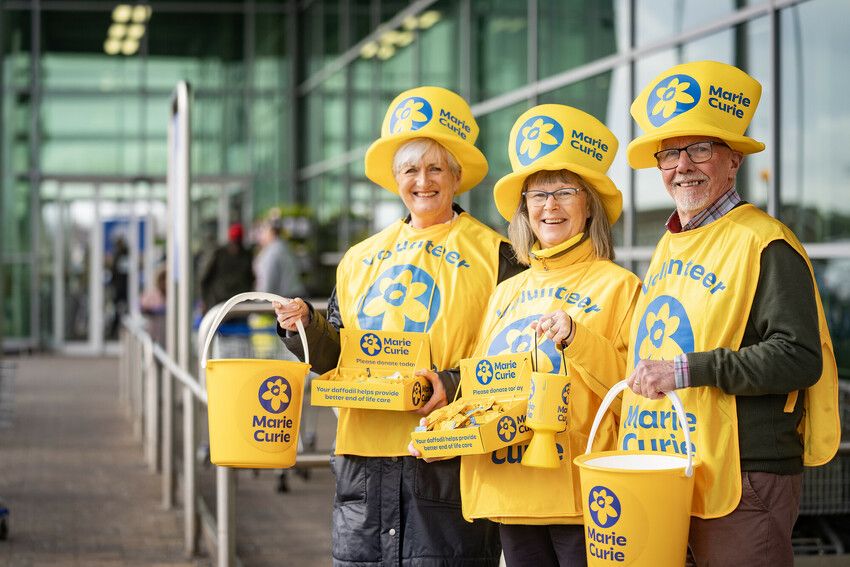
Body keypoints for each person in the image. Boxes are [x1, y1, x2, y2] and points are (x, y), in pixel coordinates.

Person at [274, 86, 524, 567]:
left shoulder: (497, 254)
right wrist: (303, 326)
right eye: (410, 169)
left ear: (456, 176)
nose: (423, 181)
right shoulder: (360, 258)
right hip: (362, 462)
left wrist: (450, 382)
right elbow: (333, 355)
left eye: (436, 168)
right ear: (395, 179)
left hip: (445, 454)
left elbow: (514, 361)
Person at [620, 60, 839, 566]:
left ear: (733, 159)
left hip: (746, 472)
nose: (683, 165)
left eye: (701, 148)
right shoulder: (672, 243)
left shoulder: (766, 241)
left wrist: (687, 370)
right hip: (679, 463)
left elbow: (798, 357)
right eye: (670, 153)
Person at [446, 105, 641, 566]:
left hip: (580, 492)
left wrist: (578, 337)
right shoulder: (507, 291)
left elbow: (634, 388)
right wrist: (446, 431)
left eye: (564, 192)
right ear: (524, 210)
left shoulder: (620, 285)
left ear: (588, 204)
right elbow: (483, 384)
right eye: (537, 195)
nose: (549, 206)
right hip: (511, 488)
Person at [198, 222, 254, 314]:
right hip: (223, 304)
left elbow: (204, 279)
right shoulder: (220, 254)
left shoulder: (245, 255)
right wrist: (205, 301)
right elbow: (205, 280)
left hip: (235, 306)